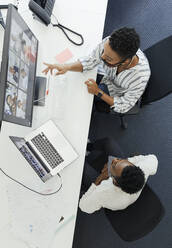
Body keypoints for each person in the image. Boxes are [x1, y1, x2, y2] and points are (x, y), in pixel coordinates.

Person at [42, 27, 151, 113]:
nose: (102, 57)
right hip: (105, 76)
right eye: (103, 51)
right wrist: (66, 66)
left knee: (81, 103)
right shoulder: (109, 42)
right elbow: (91, 61)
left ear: (125, 62)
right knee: (73, 86)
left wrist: (98, 92)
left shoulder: (139, 78)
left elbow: (123, 106)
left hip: (116, 92)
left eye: (108, 58)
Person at [79, 138, 158, 214]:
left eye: (113, 165)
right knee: (108, 142)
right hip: (122, 177)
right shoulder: (145, 167)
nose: (113, 159)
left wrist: (99, 179)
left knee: (82, 167)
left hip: (103, 185)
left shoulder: (105, 192)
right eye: (120, 161)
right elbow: (153, 159)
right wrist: (130, 160)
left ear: (114, 181)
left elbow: (83, 206)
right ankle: (89, 147)